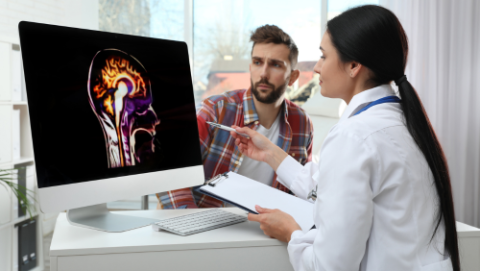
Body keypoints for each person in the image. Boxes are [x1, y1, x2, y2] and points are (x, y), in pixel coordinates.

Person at [231, 5, 460, 271]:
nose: (316, 67)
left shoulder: (354, 136)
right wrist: (271, 153)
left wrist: (291, 233)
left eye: (323, 56)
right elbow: (330, 189)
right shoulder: (401, 121)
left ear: (353, 66)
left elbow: (329, 266)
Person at [156, 25, 314, 209]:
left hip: (266, 230)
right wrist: (193, 224)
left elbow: (303, 192)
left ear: (293, 77)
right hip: (206, 224)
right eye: (257, 62)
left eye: (275, 65)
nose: (263, 73)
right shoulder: (216, 110)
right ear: (250, 67)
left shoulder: (301, 123)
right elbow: (171, 174)